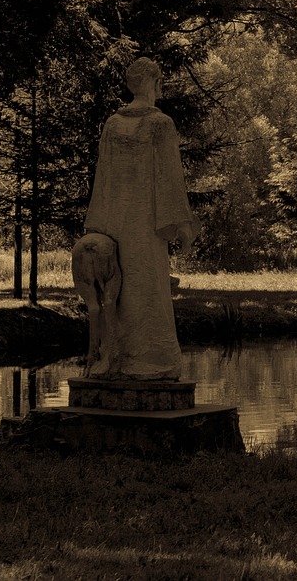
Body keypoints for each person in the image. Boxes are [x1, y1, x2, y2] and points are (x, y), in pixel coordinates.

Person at [83, 57, 199, 380]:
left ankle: (115, 359)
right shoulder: (160, 125)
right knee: (149, 292)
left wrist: (98, 228)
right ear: (153, 82)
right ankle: (155, 362)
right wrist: (182, 227)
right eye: (159, 81)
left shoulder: (112, 124)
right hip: (146, 231)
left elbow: (102, 182)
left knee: (118, 294)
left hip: (116, 228)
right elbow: (171, 183)